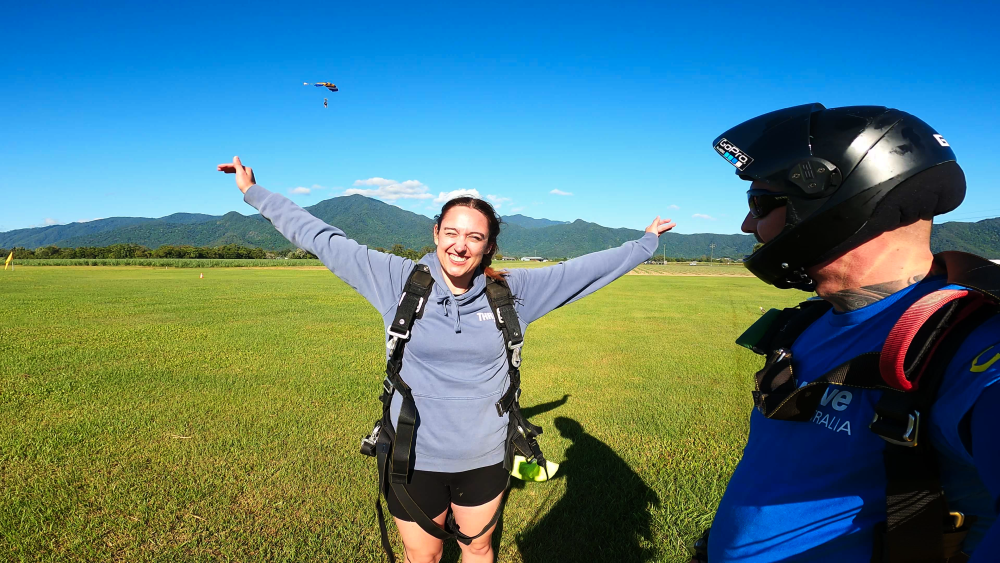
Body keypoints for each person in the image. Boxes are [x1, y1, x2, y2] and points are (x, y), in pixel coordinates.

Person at [217, 156, 676, 563]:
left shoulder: (513, 293)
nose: (460, 245)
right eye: (451, 232)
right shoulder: (396, 279)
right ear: (435, 233)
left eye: (474, 237)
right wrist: (254, 192)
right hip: (411, 455)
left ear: (488, 246)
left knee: (478, 548)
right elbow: (322, 238)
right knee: (426, 554)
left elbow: (582, 272)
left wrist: (643, 243)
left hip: (484, 456)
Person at [698, 104, 1000, 562]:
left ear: (833, 199)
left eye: (759, 203)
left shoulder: (966, 343)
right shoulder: (810, 320)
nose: (746, 225)